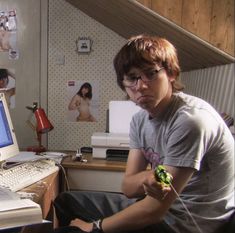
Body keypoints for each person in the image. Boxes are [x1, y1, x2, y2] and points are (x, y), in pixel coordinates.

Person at [54, 35, 234, 233]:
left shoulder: (190, 121)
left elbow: (153, 211)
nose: (141, 86)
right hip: (163, 208)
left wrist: (92, 228)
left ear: (171, 74)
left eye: (151, 74)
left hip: (188, 222)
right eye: (132, 78)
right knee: (65, 201)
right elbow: (129, 188)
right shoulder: (140, 121)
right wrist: (149, 177)